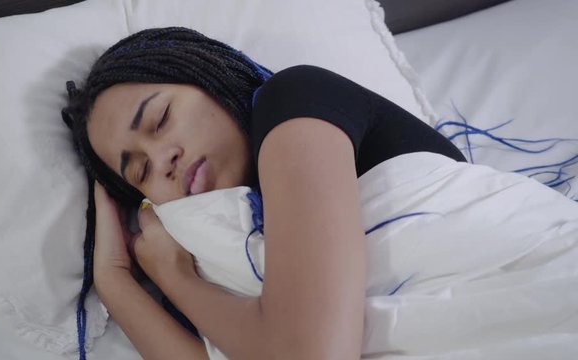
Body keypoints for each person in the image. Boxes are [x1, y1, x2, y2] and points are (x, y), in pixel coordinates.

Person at [62, 27, 466, 359]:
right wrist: (115, 282)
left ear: (212, 76)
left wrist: (177, 278)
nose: (162, 159)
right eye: (141, 170)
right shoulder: (224, 254)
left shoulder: (296, 102)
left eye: (161, 118)